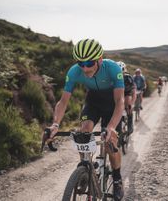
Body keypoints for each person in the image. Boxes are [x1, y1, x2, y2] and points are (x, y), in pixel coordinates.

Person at [48, 39, 124, 200]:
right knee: (84, 131)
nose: (85, 68)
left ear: (100, 60)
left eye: (89, 63)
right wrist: (55, 124)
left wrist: (110, 128)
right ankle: (85, 168)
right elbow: (63, 102)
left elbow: (120, 102)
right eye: (81, 63)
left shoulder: (113, 68)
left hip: (112, 104)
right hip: (93, 102)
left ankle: (117, 179)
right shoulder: (74, 71)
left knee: (111, 142)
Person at [116, 61, 136, 133]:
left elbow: (133, 92)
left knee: (128, 106)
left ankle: (130, 125)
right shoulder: (112, 77)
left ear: (124, 71)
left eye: (121, 72)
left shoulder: (129, 78)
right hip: (117, 93)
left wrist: (132, 103)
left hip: (127, 93)